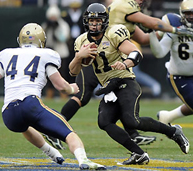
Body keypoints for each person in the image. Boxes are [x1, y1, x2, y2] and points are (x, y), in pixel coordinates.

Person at [69, 3, 190, 165]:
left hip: (125, 80)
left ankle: (173, 131)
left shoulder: (113, 33)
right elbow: (73, 72)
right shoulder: (81, 41)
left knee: (132, 121)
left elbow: (136, 52)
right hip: (109, 86)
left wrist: (125, 63)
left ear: (105, 21)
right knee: (104, 122)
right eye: (91, 21)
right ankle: (139, 153)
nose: (94, 24)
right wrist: (78, 57)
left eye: (98, 21)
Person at [0, 23, 106, 170]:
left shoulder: (6, 54)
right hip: (30, 104)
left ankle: (52, 153)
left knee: (24, 126)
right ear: (42, 40)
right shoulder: (46, 54)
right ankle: (83, 159)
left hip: (8, 113)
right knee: (69, 133)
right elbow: (60, 86)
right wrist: (72, 88)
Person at [149, 0, 193, 125]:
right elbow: (159, 53)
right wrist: (151, 33)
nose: (191, 16)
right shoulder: (175, 27)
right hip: (180, 77)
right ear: (182, 13)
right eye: (188, 13)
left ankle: (167, 116)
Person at [42, 5, 70, 99]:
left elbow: (64, 38)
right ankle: (49, 96)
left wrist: (56, 30)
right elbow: (42, 39)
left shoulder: (62, 25)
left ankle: (63, 96)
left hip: (61, 53)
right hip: (49, 54)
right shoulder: (46, 25)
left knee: (62, 75)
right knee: (49, 76)